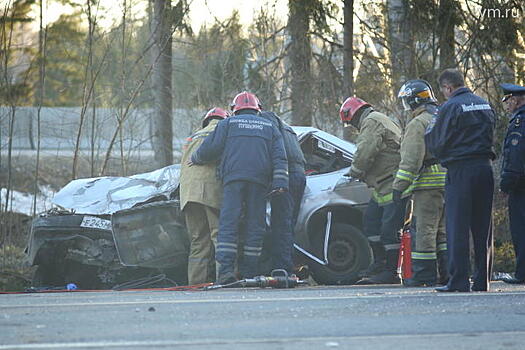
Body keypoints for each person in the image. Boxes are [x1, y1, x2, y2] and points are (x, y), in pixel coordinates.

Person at [191, 92, 288, 284]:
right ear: (257, 109)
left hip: (233, 181)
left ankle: (226, 273)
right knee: (255, 226)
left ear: (235, 110)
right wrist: (280, 183)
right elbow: (280, 157)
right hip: (259, 182)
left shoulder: (226, 124)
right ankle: (250, 273)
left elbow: (209, 149)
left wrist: (196, 159)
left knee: (228, 225)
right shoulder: (270, 127)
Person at [425, 69, 495, 292]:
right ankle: (483, 280)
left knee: (457, 226)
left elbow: (436, 141)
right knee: (483, 227)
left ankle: (459, 281)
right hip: (485, 168)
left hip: (460, 170)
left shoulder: (449, 107)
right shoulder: (484, 103)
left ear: (448, 87)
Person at [340, 97, 406, 284]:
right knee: (371, 222)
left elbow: (366, 150)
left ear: (352, 116)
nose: (353, 127)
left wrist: (355, 171)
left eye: (351, 123)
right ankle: (379, 264)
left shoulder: (371, 121)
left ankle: (391, 272)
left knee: (389, 230)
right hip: (382, 184)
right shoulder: (378, 119)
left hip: (392, 182)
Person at [394, 79, 448, 286]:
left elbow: (411, 161)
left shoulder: (418, 123)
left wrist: (398, 188)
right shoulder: (442, 117)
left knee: (425, 230)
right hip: (449, 181)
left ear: (413, 101)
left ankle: (424, 275)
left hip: (428, 186)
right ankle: (448, 273)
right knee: (444, 231)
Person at [180, 107, 229, 285]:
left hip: (187, 194)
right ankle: (224, 281)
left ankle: (196, 284)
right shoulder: (222, 131)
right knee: (220, 237)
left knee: (198, 242)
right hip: (210, 191)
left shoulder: (192, 137)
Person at [259, 110, 306, 273]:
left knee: (281, 223)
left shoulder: (266, 119)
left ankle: (282, 267)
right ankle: (286, 262)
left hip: (286, 175)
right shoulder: (286, 126)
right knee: (288, 223)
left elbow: (271, 148)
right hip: (299, 175)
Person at [499, 83, 525, 285]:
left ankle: (522, 273)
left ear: (515, 100)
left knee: (520, 229)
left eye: (505, 100)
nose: (505, 105)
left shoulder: (519, 122)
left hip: (520, 186)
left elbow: (515, 157)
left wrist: (506, 184)